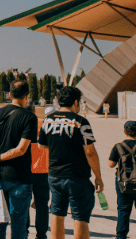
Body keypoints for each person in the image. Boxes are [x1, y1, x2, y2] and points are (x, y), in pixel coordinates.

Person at [37, 86, 103, 239]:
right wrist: (98, 176)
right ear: (75, 102)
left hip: (55, 175)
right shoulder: (81, 122)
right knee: (80, 216)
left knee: (57, 213)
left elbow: (41, 146)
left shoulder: (48, 120)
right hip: (77, 176)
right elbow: (90, 152)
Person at [0, 80, 38, 239]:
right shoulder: (29, 117)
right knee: (18, 224)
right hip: (19, 177)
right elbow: (21, 149)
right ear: (27, 96)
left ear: (9, 95)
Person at [108, 120, 136, 239]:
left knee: (123, 208)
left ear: (124, 131)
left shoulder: (118, 146)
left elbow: (111, 164)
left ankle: (121, 235)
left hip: (123, 183)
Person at [29, 106, 53, 239]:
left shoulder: (21, 122)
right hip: (43, 168)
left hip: (26, 168)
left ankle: (24, 231)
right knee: (42, 204)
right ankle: (41, 234)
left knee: (24, 203)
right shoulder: (43, 123)